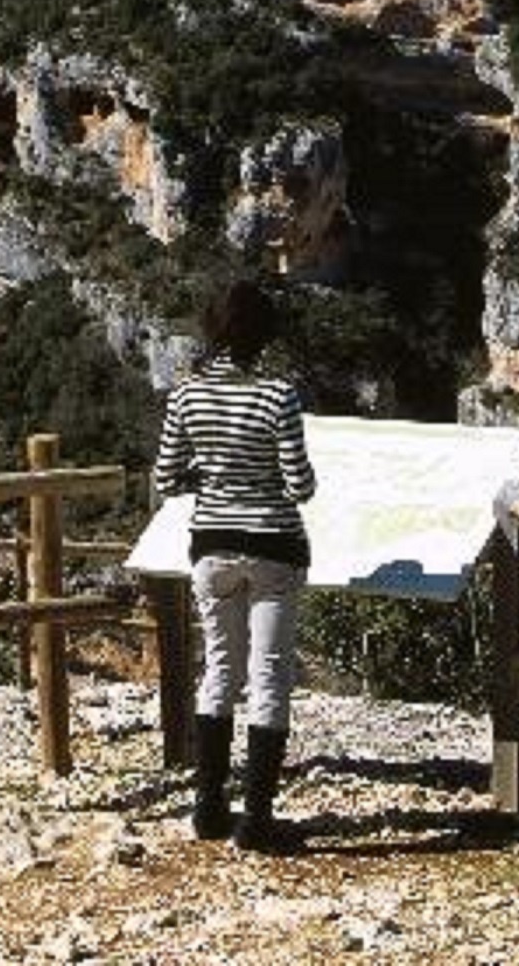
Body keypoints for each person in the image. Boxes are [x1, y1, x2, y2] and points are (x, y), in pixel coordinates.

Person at [153, 277, 316, 852]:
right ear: (262, 334)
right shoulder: (278, 395)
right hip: (273, 546)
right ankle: (259, 820)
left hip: (212, 547)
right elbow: (301, 484)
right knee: (269, 675)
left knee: (220, 670)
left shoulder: (186, 396)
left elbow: (166, 479)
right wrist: (260, 481)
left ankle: (208, 807)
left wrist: (215, 480)